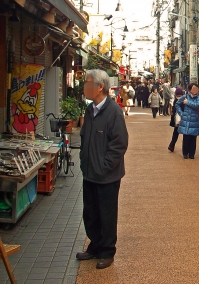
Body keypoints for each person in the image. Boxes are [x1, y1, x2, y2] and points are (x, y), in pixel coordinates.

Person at [77, 69, 129, 270]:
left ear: (100, 87)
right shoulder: (90, 110)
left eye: (88, 84)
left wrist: (103, 167)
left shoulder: (113, 112)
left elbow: (119, 145)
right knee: (90, 213)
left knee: (106, 214)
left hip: (107, 176)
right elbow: (84, 138)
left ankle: (107, 251)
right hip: (89, 173)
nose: (85, 88)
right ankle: (95, 245)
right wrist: (84, 161)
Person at [176, 83, 199, 159]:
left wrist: (187, 102)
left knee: (193, 138)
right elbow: (177, 104)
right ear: (190, 89)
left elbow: (197, 105)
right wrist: (181, 113)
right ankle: (185, 153)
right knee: (186, 137)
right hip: (186, 120)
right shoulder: (185, 97)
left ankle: (192, 154)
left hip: (194, 120)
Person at [168, 87, 185, 152]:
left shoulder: (178, 100)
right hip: (180, 119)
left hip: (179, 119)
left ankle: (172, 145)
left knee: (177, 133)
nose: (178, 96)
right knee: (181, 133)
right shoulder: (180, 100)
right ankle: (173, 146)